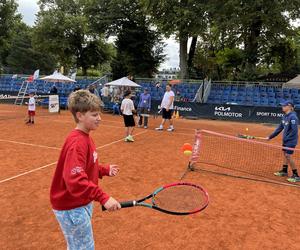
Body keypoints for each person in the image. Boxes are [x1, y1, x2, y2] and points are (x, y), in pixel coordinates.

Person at [50, 90, 121, 250]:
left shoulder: (86, 137)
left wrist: (103, 170)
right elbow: (75, 180)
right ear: (80, 115)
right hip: (71, 206)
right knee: (84, 248)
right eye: (94, 115)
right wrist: (103, 197)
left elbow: (88, 167)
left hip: (79, 204)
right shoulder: (78, 143)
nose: (100, 118)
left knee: (77, 246)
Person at [267, 100, 300, 183]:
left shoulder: (293, 117)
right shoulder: (285, 116)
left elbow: (294, 131)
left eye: (284, 106)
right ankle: (284, 171)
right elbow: (279, 129)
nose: (282, 107)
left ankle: (296, 175)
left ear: (290, 107)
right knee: (285, 154)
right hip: (286, 140)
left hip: (291, 141)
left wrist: (287, 139)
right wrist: (270, 136)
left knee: (288, 156)